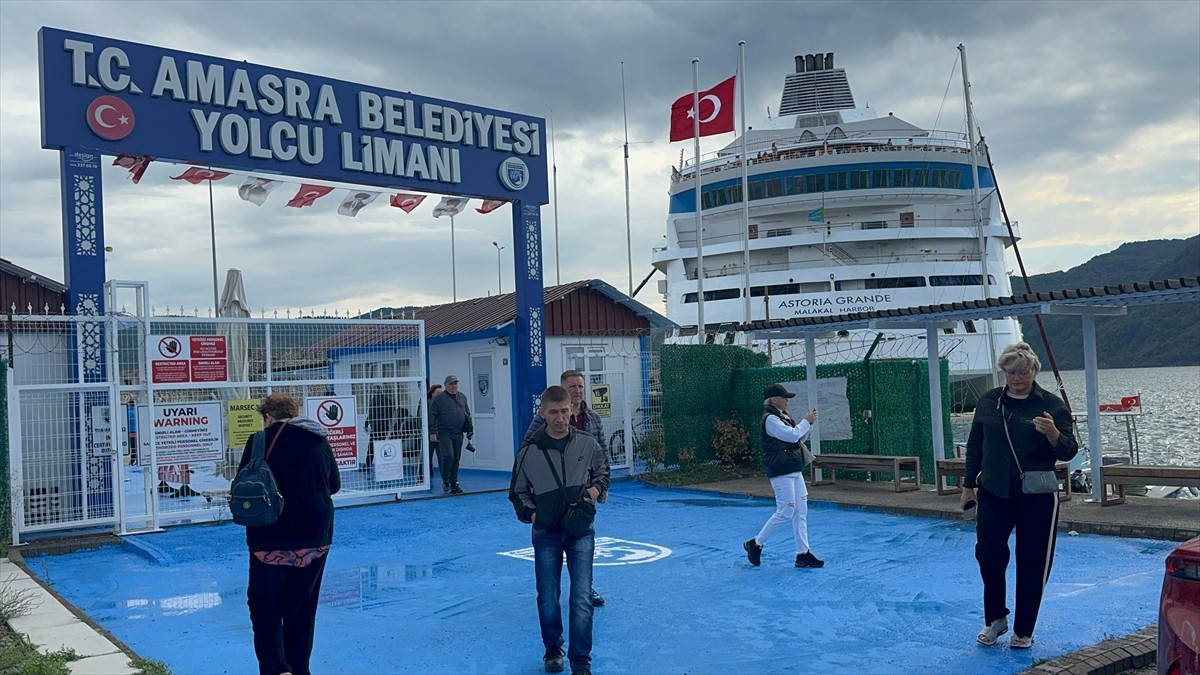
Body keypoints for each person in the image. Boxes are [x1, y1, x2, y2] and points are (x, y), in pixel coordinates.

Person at [962, 342, 1078, 649]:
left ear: (1034, 372)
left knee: (1033, 561)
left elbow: (1069, 450)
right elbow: (976, 445)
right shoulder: (988, 402)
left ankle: (1024, 629)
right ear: (1003, 372)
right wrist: (967, 486)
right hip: (993, 491)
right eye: (1011, 371)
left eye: (1023, 371)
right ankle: (996, 618)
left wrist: (1053, 433)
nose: (1017, 377)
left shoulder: (1051, 405)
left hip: (1036, 495)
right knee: (988, 554)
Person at [509, 385, 610, 675]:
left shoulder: (588, 443)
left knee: (581, 597)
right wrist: (532, 514)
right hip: (546, 533)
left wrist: (592, 492)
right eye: (553, 412)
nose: (560, 418)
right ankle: (553, 649)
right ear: (542, 413)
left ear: (571, 410)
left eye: (565, 411)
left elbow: (603, 473)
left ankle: (581, 662)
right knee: (548, 596)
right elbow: (517, 493)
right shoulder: (529, 451)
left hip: (580, 531)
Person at [239, 393, 341, 675]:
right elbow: (333, 484)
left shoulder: (259, 440)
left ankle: (275, 668)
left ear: (267, 416)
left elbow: (244, 484)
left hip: (270, 538)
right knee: (303, 606)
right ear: (294, 414)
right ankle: (299, 668)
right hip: (315, 537)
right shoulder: (318, 439)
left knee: (264, 606)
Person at [525, 370, 610, 608]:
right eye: (572, 386)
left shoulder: (592, 418)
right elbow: (528, 449)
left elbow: (602, 455)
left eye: (581, 386)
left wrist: (597, 489)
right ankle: (550, 594)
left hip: (582, 495)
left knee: (582, 543)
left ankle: (585, 589)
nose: (578, 390)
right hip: (552, 496)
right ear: (563, 389)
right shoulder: (545, 418)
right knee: (551, 544)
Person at [743, 383, 823, 569]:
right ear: (773, 400)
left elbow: (797, 437)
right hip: (781, 470)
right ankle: (756, 543)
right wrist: (806, 422)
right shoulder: (771, 419)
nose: (787, 400)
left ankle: (803, 554)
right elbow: (792, 436)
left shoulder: (782, 417)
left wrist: (807, 424)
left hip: (793, 468)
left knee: (800, 511)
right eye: (784, 397)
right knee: (786, 510)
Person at [429, 374, 473, 494]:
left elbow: (467, 414)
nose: (454, 386)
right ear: (446, 385)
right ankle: (446, 480)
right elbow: (432, 415)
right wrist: (432, 431)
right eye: (451, 384)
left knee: (456, 459)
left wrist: (469, 430)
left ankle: (454, 482)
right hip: (444, 432)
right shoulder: (438, 399)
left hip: (458, 432)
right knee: (448, 456)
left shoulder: (462, 397)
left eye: (455, 383)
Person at [364, 385, 397, 471]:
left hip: (376, 427)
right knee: (382, 447)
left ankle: (367, 466)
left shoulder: (373, 401)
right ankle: (382, 466)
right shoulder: (388, 400)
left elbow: (371, 415)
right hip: (384, 427)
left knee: (371, 447)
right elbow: (390, 414)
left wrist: (366, 424)